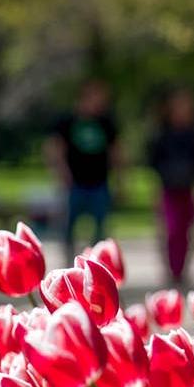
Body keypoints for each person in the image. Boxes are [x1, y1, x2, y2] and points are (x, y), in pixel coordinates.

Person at [45, 78, 121, 261]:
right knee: (68, 227)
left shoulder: (106, 123)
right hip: (74, 183)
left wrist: (119, 178)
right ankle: (69, 261)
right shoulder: (67, 121)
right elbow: (55, 149)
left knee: (100, 229)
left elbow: (116, 152)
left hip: (99, 182)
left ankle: (96, 263)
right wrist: (61, 173)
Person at [146, 89, 194, 286]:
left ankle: (183, 270)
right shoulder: (162, 135)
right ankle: (171, 269)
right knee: (170, 230)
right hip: (168, 189)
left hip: (189, 189)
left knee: (187, 232)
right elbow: (153, 163)